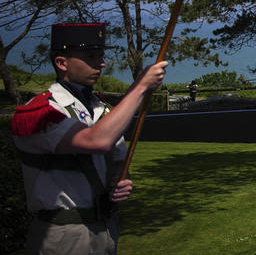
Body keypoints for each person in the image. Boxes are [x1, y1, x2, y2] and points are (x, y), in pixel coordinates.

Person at [11, 23, 167, 255]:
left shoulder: (101, 109)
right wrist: (140, 87)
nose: (101, 63)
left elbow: (116, 162)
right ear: (62, 63)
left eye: (101, 55)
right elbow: (96, 141)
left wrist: (119, 183)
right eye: (91, 56)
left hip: (105, 226)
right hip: (63, 233)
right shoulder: (41, 113)